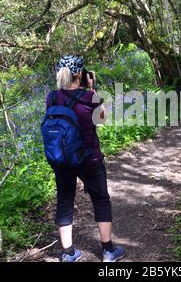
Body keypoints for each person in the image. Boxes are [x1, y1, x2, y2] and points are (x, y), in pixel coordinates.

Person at [46, 55, 125, 262]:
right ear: (80, 74)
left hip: (61, 158)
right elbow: (101, 119)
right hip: (89, 158)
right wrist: (92, 89)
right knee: (100, 199)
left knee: (65, 200)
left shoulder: (51, 97)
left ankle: (68, 253)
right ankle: (108, 251)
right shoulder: (89, 97)